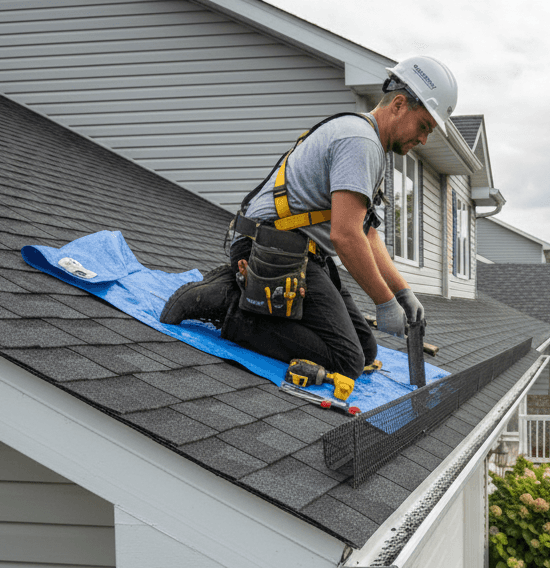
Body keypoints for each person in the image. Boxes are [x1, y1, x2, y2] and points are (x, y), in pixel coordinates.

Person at [160, 55, 458, 381]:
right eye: (423, 126)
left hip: (300, 251)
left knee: (365, 350)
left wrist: (401, 292)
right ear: (399, 105)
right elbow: (345, 236)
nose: (423, 139)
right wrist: (384, 302)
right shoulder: (360, 142)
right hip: (269, 245)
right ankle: (227, 304)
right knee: (347, 360)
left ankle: (247, 294)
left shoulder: (368, 142)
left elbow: (367, 233)